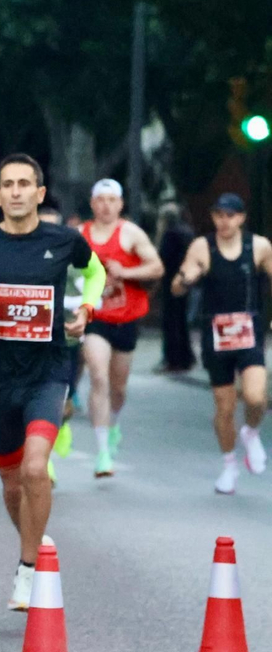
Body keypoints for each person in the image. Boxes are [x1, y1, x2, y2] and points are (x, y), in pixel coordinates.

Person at [0, 155, 104, 610]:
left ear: (39, 192)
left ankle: (28, 568)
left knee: (35, 469)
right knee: (12, 485)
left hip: (48, 371)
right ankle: (34, 540)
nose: (16, 191)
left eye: (24, 183)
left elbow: (96, 272)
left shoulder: (63, 240)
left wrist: (86, 309)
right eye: (8, 184)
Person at [171, 193, 270, 495]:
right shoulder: (203, 246)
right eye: (219, 215)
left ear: (241, 218)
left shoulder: (259, 246)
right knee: (224, 407)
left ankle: (251, 432)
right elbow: (176, 288)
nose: (224, 221)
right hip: (216, 334)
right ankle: (229, 466)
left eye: (230, 216)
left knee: (256, 397)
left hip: (248, 331)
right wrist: (187, 278)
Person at [79, 179, 163, 477]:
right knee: (98, 377)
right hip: (95, 318)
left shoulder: (130, 233)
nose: (105, 206)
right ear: (92, 204)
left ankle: (113, 424)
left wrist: (125, 271)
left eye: (111, 200)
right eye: (100, 200)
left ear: (120, 204)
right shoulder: (80, 235)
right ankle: (102, 452)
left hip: (126, 318)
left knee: (118, 387)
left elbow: (156, 267)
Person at [157, 202, 196, 373]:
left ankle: (173, 359)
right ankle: (186, 356)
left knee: (171, 321)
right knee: (181, 320)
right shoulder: (187, 231)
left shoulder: (170, 234)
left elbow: (163, 259)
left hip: (170, 282)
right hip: (186, 281)